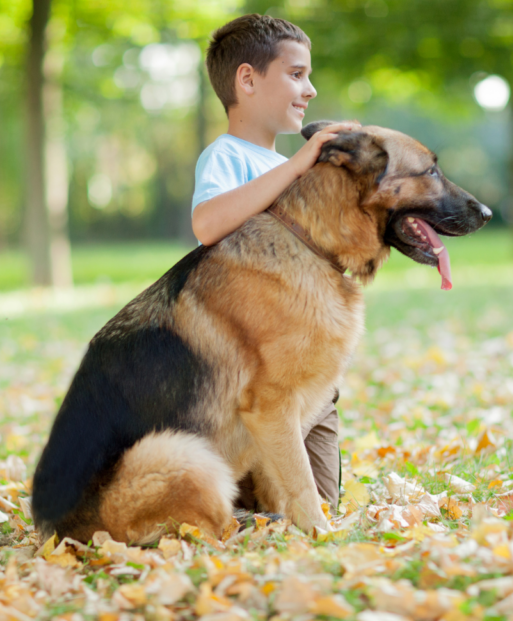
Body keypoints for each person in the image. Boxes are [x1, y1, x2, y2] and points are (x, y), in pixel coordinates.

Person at [191, 13, 358, 512]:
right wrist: (299, 163)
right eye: (296, 74)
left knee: (322, 500)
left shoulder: (291, 164)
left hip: (310, 374)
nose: (310, 89)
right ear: (247, 79)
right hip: (256, 375)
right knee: (259, 504)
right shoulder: (227, 156)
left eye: (308, 76)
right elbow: (207, 225)